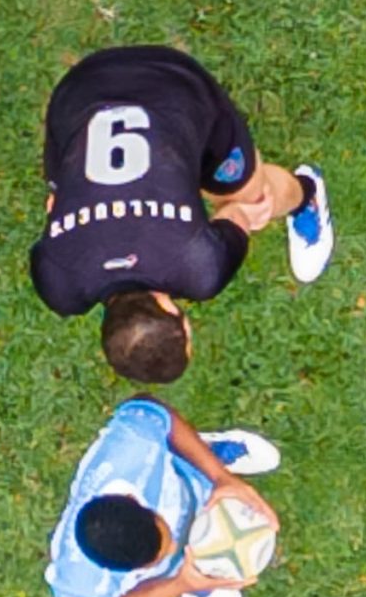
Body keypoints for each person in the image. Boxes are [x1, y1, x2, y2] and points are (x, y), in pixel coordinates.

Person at [31, 43, 332, 381]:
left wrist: (238, 216)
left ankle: (307, 194)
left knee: (253, 198)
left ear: (171, 308)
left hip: (175, 82)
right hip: (80, 87)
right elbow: (54, 210)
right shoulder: (58, 283)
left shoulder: (198, 268)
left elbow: (236, 216)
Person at [46, 397, 282, 597]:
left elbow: (152, 408)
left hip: (183, 480)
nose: (173, 548)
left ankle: (206, 455)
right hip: (175, 573)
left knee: (183, 450)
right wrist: (179, 584)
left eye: (166, 538)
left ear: (134, 499)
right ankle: (194, 581)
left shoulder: (133, 444)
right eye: (156, 561)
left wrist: (221, 478)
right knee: (185, 571)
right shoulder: (80, 585)